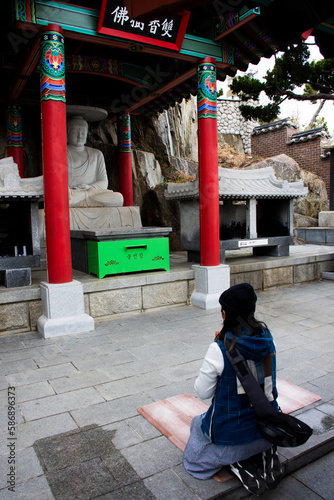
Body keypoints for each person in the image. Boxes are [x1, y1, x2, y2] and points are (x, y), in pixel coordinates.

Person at [183, 283, 282, 496]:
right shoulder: (266, 336)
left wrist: (217, 347)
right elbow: (268, 385)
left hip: (231, 433)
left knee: (196, 427)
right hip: (268, 427)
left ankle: (236, 463)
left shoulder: (218, 348)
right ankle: (266, 453)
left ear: (225, 313)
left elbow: (203, 393)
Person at [67, 116, 123, 208]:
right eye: (74, 132)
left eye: (83, 132)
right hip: (73, 194)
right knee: (61, 198)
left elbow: (104, 182)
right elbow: (55, 181)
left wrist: (89, 187)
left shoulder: (96, 154)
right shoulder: (60, 154)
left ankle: (84, 200)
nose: (79, 136)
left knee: (118, 197)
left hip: (92, 193)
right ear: (67, 134)